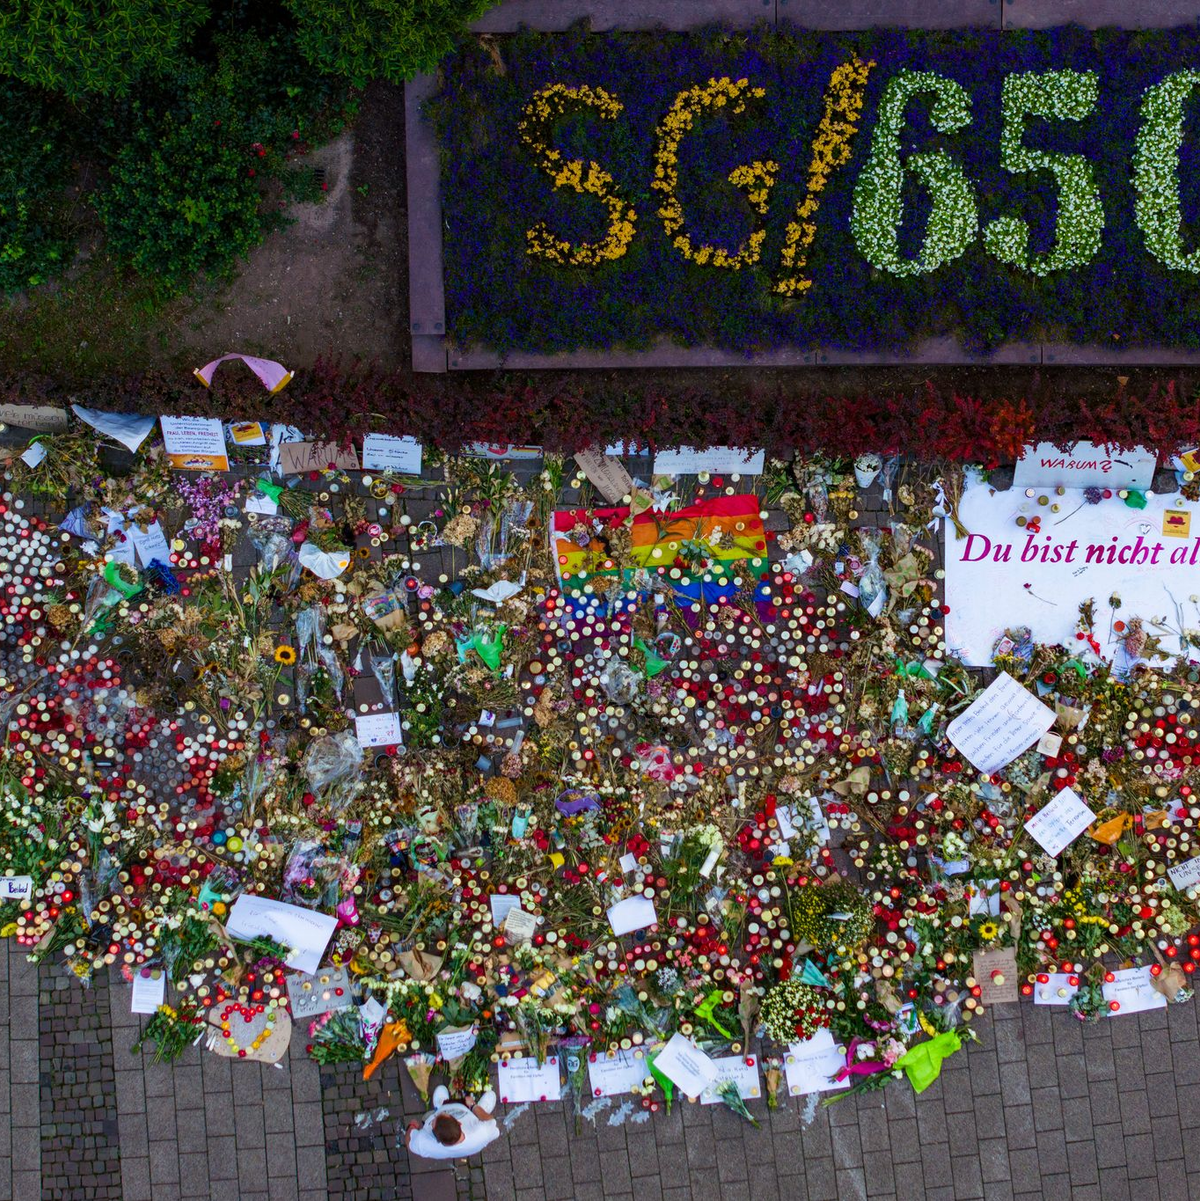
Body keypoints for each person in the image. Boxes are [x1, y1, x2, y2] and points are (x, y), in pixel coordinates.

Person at [405, 1085, 500, 1160]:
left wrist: (412, 1126)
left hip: (450, 1108)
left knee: (440, 1092)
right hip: (469, 1113)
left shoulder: (425, 1144)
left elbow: (409, 1142)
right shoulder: (482, 1133)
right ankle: (482, 1108)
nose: (435, 1116)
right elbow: (490, 1120)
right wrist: (473, 1106)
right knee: (490, 1096)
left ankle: (440, 1106)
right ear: (459, 1123)